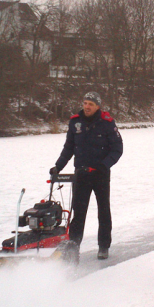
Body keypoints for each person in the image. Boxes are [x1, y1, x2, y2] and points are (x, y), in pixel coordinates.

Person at [50, 92, 123, 260]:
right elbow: (69, 147)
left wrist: (104, 165)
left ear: (98, 106)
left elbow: (117, 149)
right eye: (85, 103)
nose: (87, 106)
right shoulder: (75, 122)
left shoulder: (107, 123)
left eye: (91, 103)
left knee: (103, 211)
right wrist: (58, 166)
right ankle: (73, 248)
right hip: (81, 175)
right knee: (78, 212)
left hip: (101, 175)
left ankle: (104, 246)